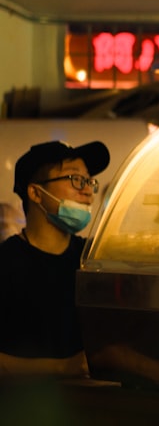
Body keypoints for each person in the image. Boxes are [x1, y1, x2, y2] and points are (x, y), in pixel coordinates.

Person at [0, 139, 109, 377]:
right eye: (75, 179)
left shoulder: (93, 260)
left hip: (94, 409)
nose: (88, 190)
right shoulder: (7, 263)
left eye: (89, 181)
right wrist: (63, 367)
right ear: (36, 193)